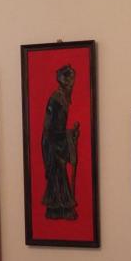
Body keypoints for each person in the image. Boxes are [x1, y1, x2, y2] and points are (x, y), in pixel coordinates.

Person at [41, 64, 79, 220]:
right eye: (69, 80)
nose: (72, 84)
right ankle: (58, 210)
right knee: (58, 175)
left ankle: (60, 210)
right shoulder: (55, 99)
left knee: (60, 175)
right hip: (52, 144)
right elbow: (49, 129)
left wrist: (69, 133)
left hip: (58, 141)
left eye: (72, 80)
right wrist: (68, 134)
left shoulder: (63, 98)